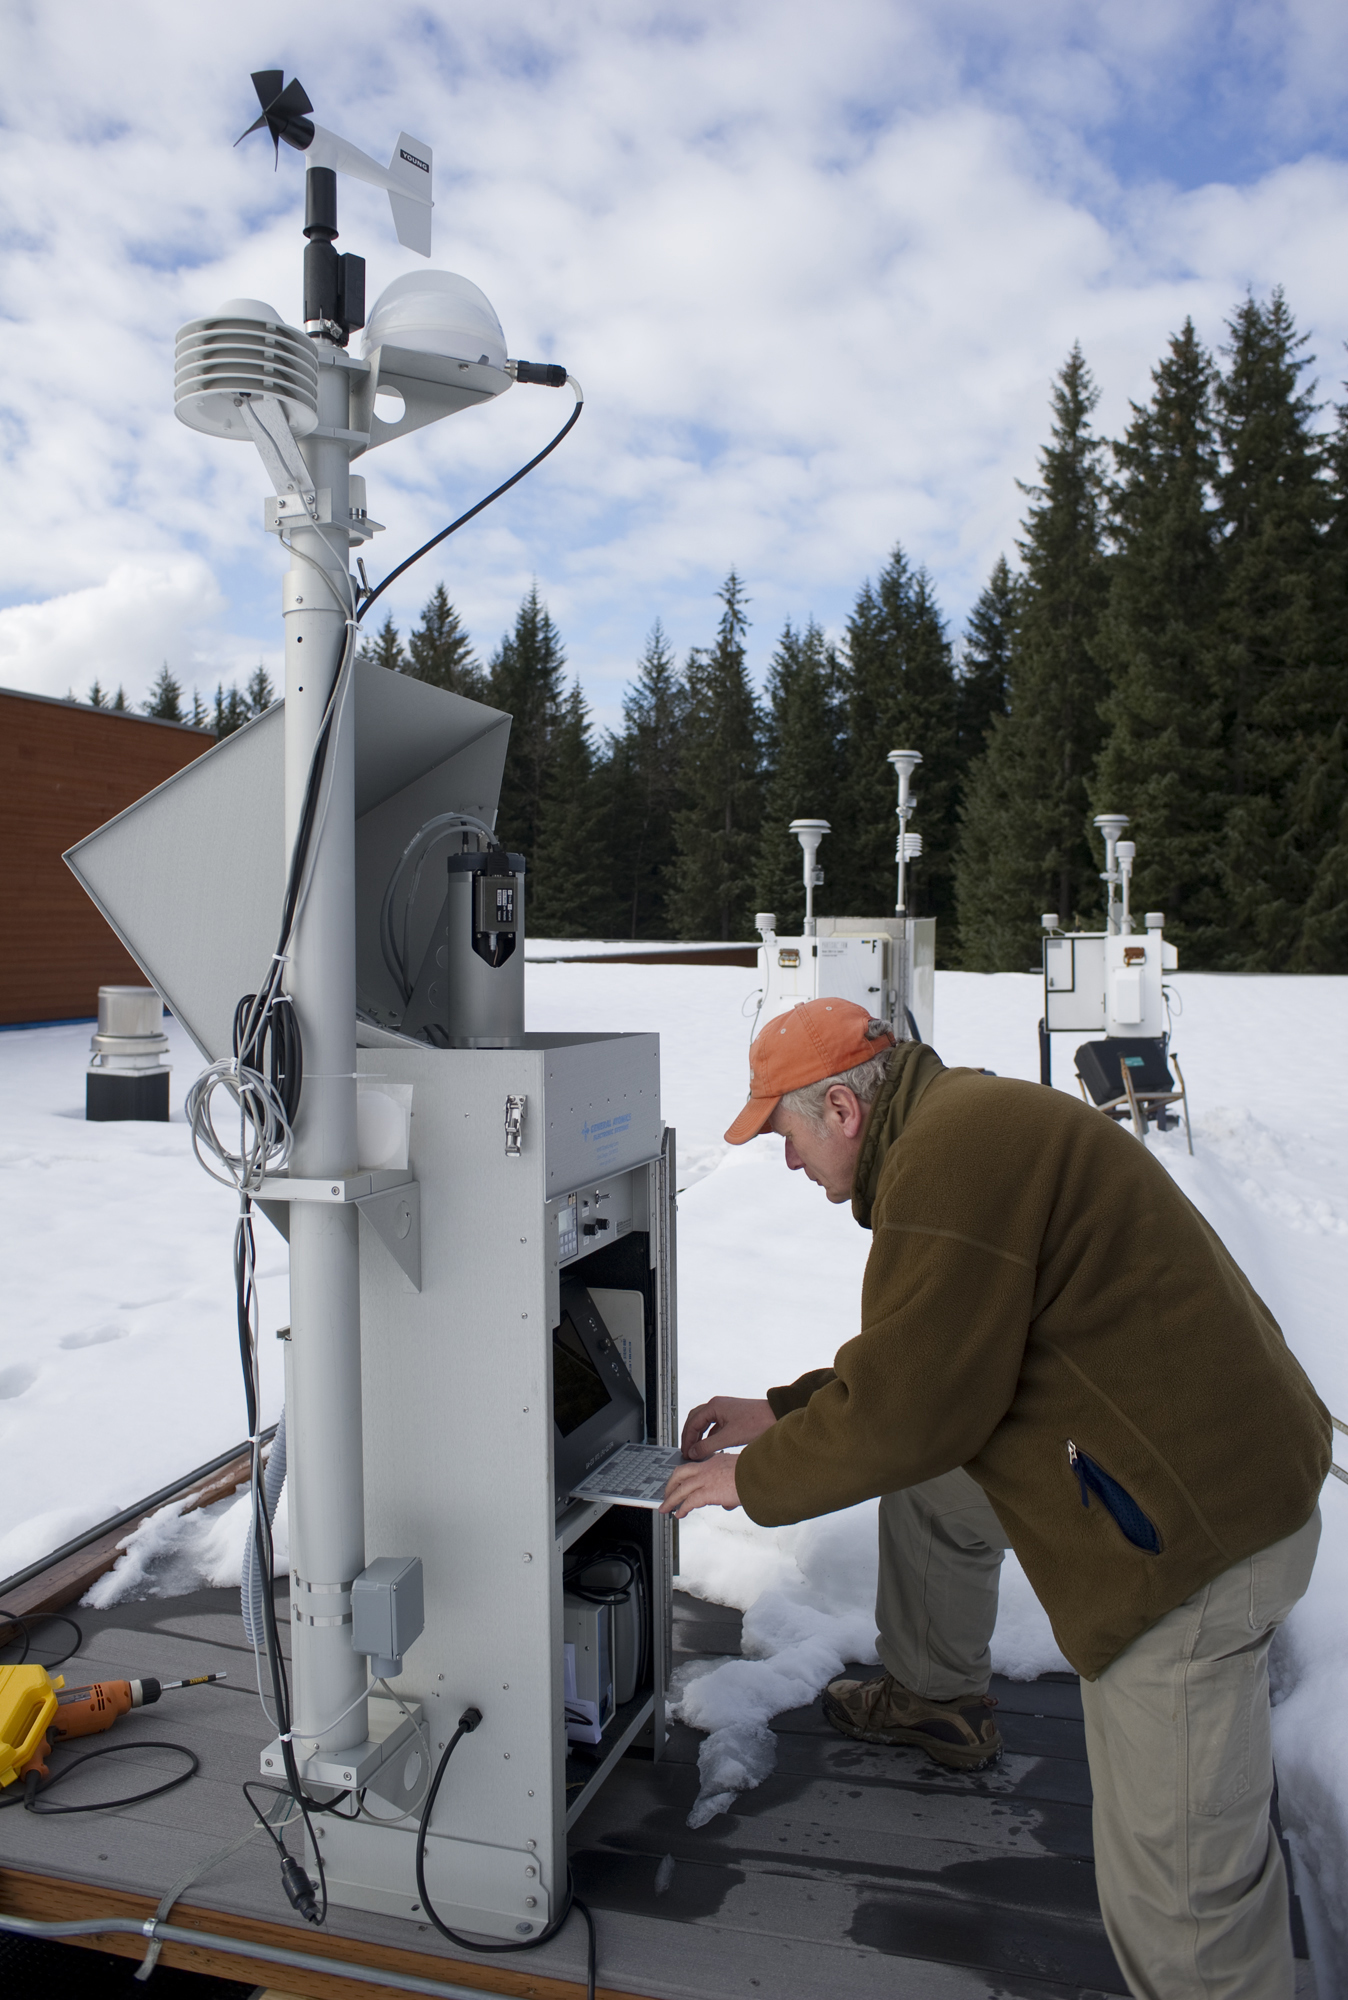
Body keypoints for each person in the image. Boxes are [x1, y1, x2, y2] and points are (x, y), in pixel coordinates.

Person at [661, 998, 1329, 2000]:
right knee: (935, 1489)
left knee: (1183, 1896)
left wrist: (749, 1481)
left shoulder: (946, 1162)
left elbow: (913, 1405)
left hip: (1189, 1542)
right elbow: (928, 1357)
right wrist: (781, 1409)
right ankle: (937, 1700)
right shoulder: (955, 1124)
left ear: (840, 1106)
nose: (783, 1157)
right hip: (1197, 1465)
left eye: (782, 1130)